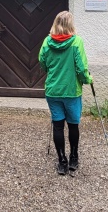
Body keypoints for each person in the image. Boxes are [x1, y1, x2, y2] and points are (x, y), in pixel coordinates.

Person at [38, 10, 92, 175]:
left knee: (58, 125)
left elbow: (42, 62)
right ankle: (74, 157)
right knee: (73, 125)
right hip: (71, 91)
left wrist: (52, 71)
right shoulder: (76, 42)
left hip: (53, 90)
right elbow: (81, 67)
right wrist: (88, 79)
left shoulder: (47, 42)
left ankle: (62, 161)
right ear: (70, 25)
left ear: (55, 23)